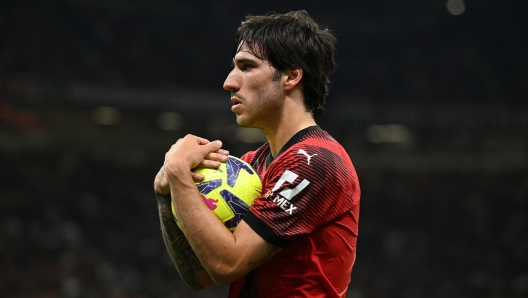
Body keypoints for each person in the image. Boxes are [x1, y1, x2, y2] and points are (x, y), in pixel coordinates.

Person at [154, 10, 360, 297]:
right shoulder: (251, 166)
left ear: (291, 76)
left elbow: (228, 265)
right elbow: (199, 276)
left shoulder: (316, 162)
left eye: (246, 67)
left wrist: (178, 173)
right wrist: (166, 193)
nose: (229, 82)